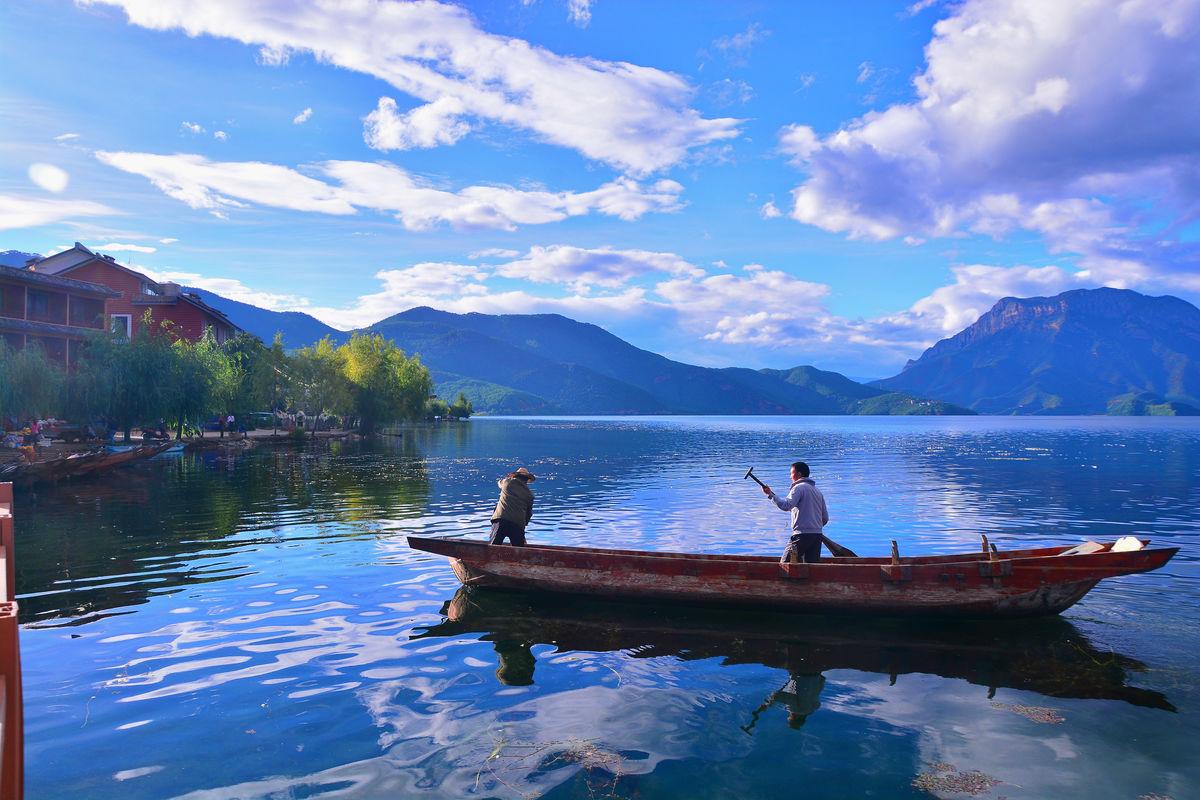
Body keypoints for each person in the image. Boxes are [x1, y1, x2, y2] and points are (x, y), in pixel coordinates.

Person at [761, 461, 829, 564]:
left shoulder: (798, 488)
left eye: (791, 473)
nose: (790, 477)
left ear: (799, 474)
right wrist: (814, 527)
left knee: (785, 564)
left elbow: (786, 506)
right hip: (817, 536)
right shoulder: (817, 491)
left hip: (801, 536)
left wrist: (770, 494)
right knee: (811, 568)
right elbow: (825, 518)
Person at [489, 467, 536, 546]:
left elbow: (499, 483)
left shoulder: (507, 482)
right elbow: (528, 514)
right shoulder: (529, 494)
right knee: (519, 550)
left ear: (515, 476)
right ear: (527, 480)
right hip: (518, 524)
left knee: (494, 547)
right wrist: (522, 530)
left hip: (501, 520)